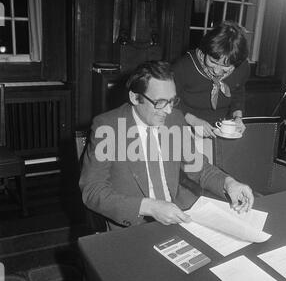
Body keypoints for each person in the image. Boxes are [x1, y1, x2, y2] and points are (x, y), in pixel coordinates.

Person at [79, 61, 254, 231]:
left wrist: (229, 183)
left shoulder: (175, 120)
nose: (168, 110)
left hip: (178, 214)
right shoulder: (108, 127)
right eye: (160, 102)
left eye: (172, 101)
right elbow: (93, 190)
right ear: (135, 97)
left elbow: (198, 167)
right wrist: (148, 207)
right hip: (134, 225)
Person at [172, 21, 250, 140]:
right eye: (212, 62)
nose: (217, 71)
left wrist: (238, 117)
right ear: (206, 50)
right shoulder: (184, 66)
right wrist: (193, 121)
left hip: (220, 129)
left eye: (225, 67)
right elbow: (170, 100)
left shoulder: (242, 68)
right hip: (184, 125)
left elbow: (238, 92)